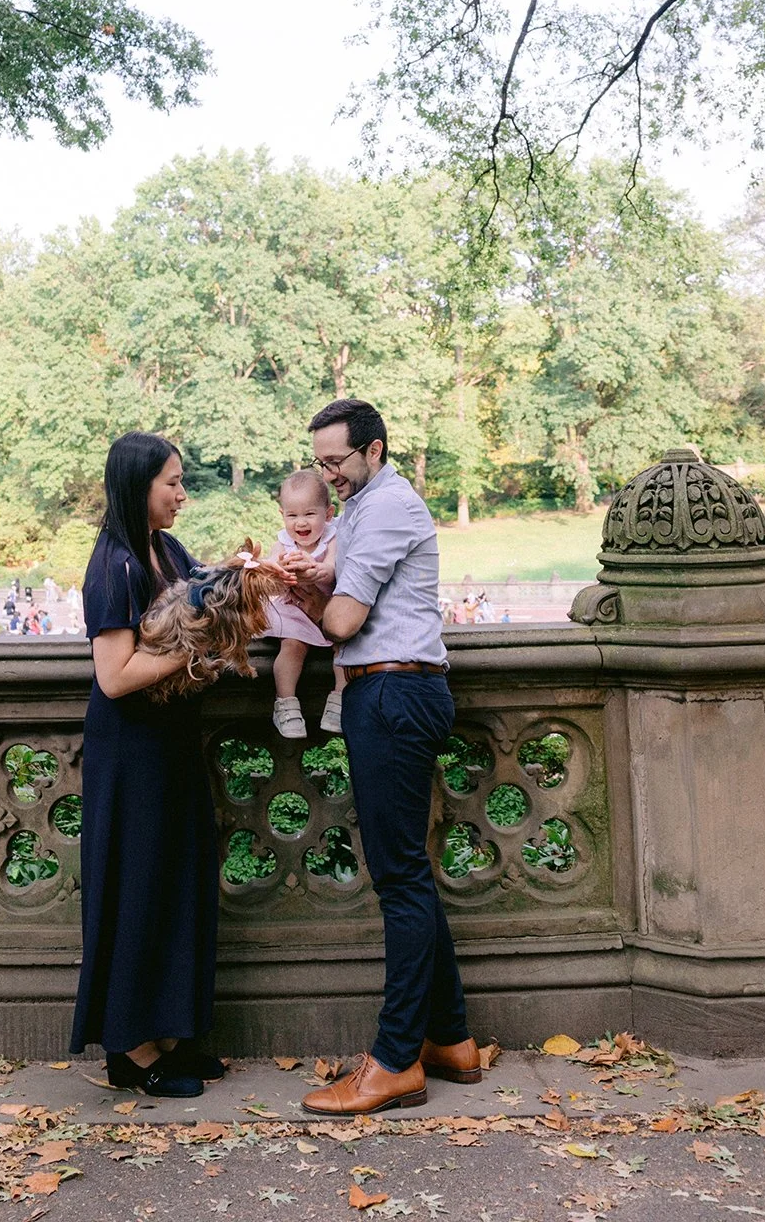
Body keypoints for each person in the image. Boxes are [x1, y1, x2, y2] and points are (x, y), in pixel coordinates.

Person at [283, 396, 480, 1117]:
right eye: (320, 463)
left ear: (374, 449)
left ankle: (395, 1060)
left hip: (396, 695)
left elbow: (341, 619)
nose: (327, 475)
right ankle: (449, 1038)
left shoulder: (391, 505)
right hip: (384, 692)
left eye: (336, 461)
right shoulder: (363, 506)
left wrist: (310, 594)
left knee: (398, 881)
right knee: (408, 875)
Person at [70, 431, 221, 1099]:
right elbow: (114, 675)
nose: (182, 494)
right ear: (138, 487)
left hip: (173, 746)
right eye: (172, 483)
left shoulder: (170, 551)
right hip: (129, 755)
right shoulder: (114, 565)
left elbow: (202, 614)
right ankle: (129, 1050)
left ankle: (166, 1034)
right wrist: (195, 660)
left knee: (174, 886)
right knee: (134, 891)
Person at [262, 468, 345, 738]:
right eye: (292, 515)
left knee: (343, 648)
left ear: (328, 514)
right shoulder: (284, 542)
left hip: (327, 607)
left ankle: (340, 699)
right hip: (294, 609)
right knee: (292, 646)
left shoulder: (333, 538)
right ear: (282, 516)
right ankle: (285, 703)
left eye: (309, 514)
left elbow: (332, 568)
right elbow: (270, 572)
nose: (300, 523)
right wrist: (281, 569)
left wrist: (316, 570)